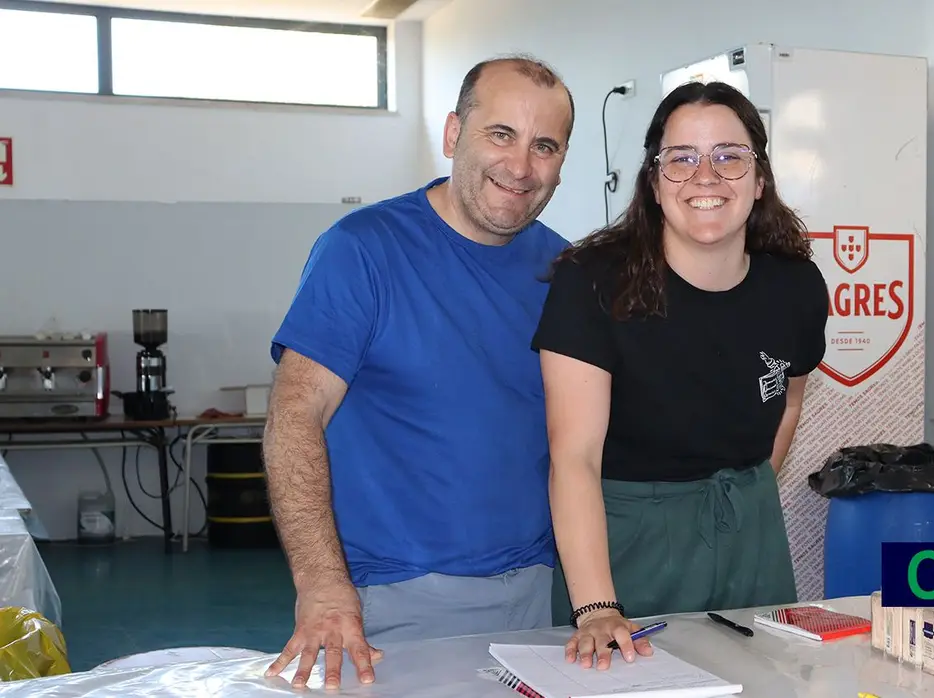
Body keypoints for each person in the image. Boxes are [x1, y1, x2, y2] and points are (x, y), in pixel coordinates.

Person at [261, 55, 575, 689]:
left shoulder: (564, 269)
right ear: (454, 134)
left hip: (541, 593)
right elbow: (295, 416)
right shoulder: (363, 250)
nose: (520, 167)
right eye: (501, 135)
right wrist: (322, 583)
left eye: (544, 145)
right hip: (390, 601)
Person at [530, 80, 829, 670]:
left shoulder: (794, 285)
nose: (706, 176)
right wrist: (595, 606)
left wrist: (744, 497)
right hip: (627, 543)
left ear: (760, 177)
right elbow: (575, 458)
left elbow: (788, 400)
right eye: (682, 158)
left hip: (750, 536)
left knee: (761, 683)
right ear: (653, 179)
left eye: (729, 156)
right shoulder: (593, 281)